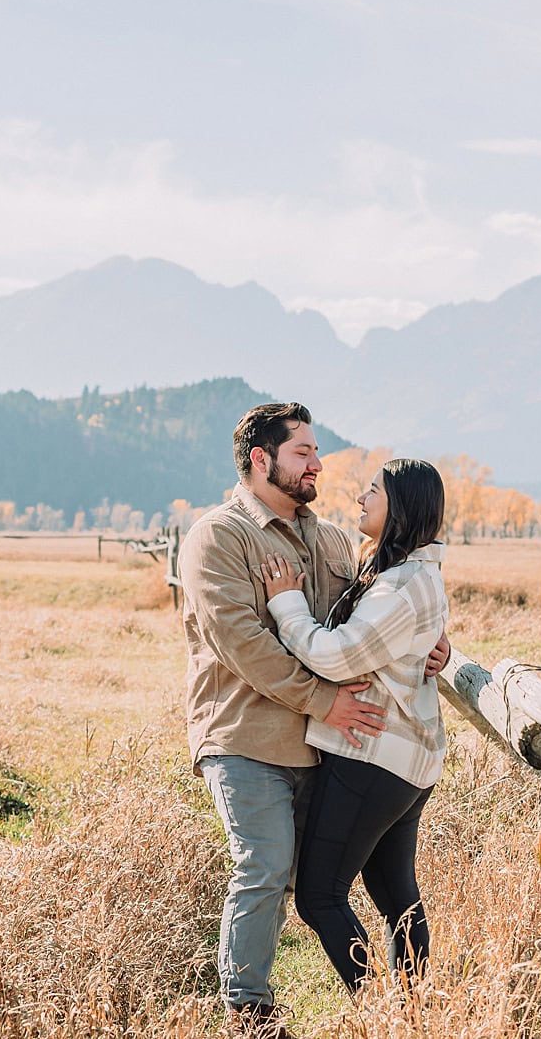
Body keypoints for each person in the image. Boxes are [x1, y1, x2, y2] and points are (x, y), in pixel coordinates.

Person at [180, 403, 446, 1039]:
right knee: (266, 865)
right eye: (302, 452)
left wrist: (430, 646)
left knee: (320, 883)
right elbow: (242, 642)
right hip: (247, 735)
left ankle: (395, 1014)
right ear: (260, 460)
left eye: (316, 452)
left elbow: (377, 612)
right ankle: (249, 1010)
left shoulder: (328, 539)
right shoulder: (219, 536)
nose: (318, 464)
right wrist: (323, 699)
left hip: (324, 743)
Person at [262, 458, 448, 993]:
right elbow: (416, 633)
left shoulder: (401, 585)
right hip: (406, 762)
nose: (361, 499)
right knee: (393, 893)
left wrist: (286, 604)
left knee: (320, 895)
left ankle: (377, 1007)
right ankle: (412, 1013)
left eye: (373, 491)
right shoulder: (415, 571)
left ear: (402, 507)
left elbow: (337, 656)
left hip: (374, 758)